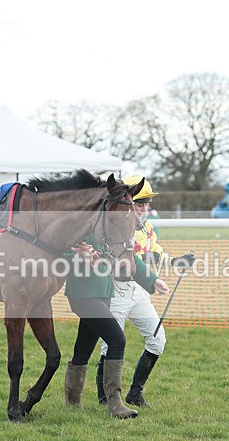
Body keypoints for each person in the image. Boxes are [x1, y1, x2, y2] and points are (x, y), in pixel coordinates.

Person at [64, 231, 168, 419]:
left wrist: (152, 280)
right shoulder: (80, 224)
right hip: (84, 293)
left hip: (104, 292)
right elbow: (62, 254)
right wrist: (82, 257)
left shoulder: (108, 230)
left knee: (83, 349)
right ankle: (114, 403)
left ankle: (72, 403)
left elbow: (128, 258)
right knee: (117, 340)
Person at [95, 175, 171, 408]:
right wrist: (152, 273)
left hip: (139, 292)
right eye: (140, 204)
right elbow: (134, 258)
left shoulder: (147, 227)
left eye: (147, 204)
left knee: (157, 339)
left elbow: (154, 252)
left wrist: (175, 261)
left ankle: (135, 393)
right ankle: (105, 396)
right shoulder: (116, 223)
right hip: (116, 290)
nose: (144, 209)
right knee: (110, 345)